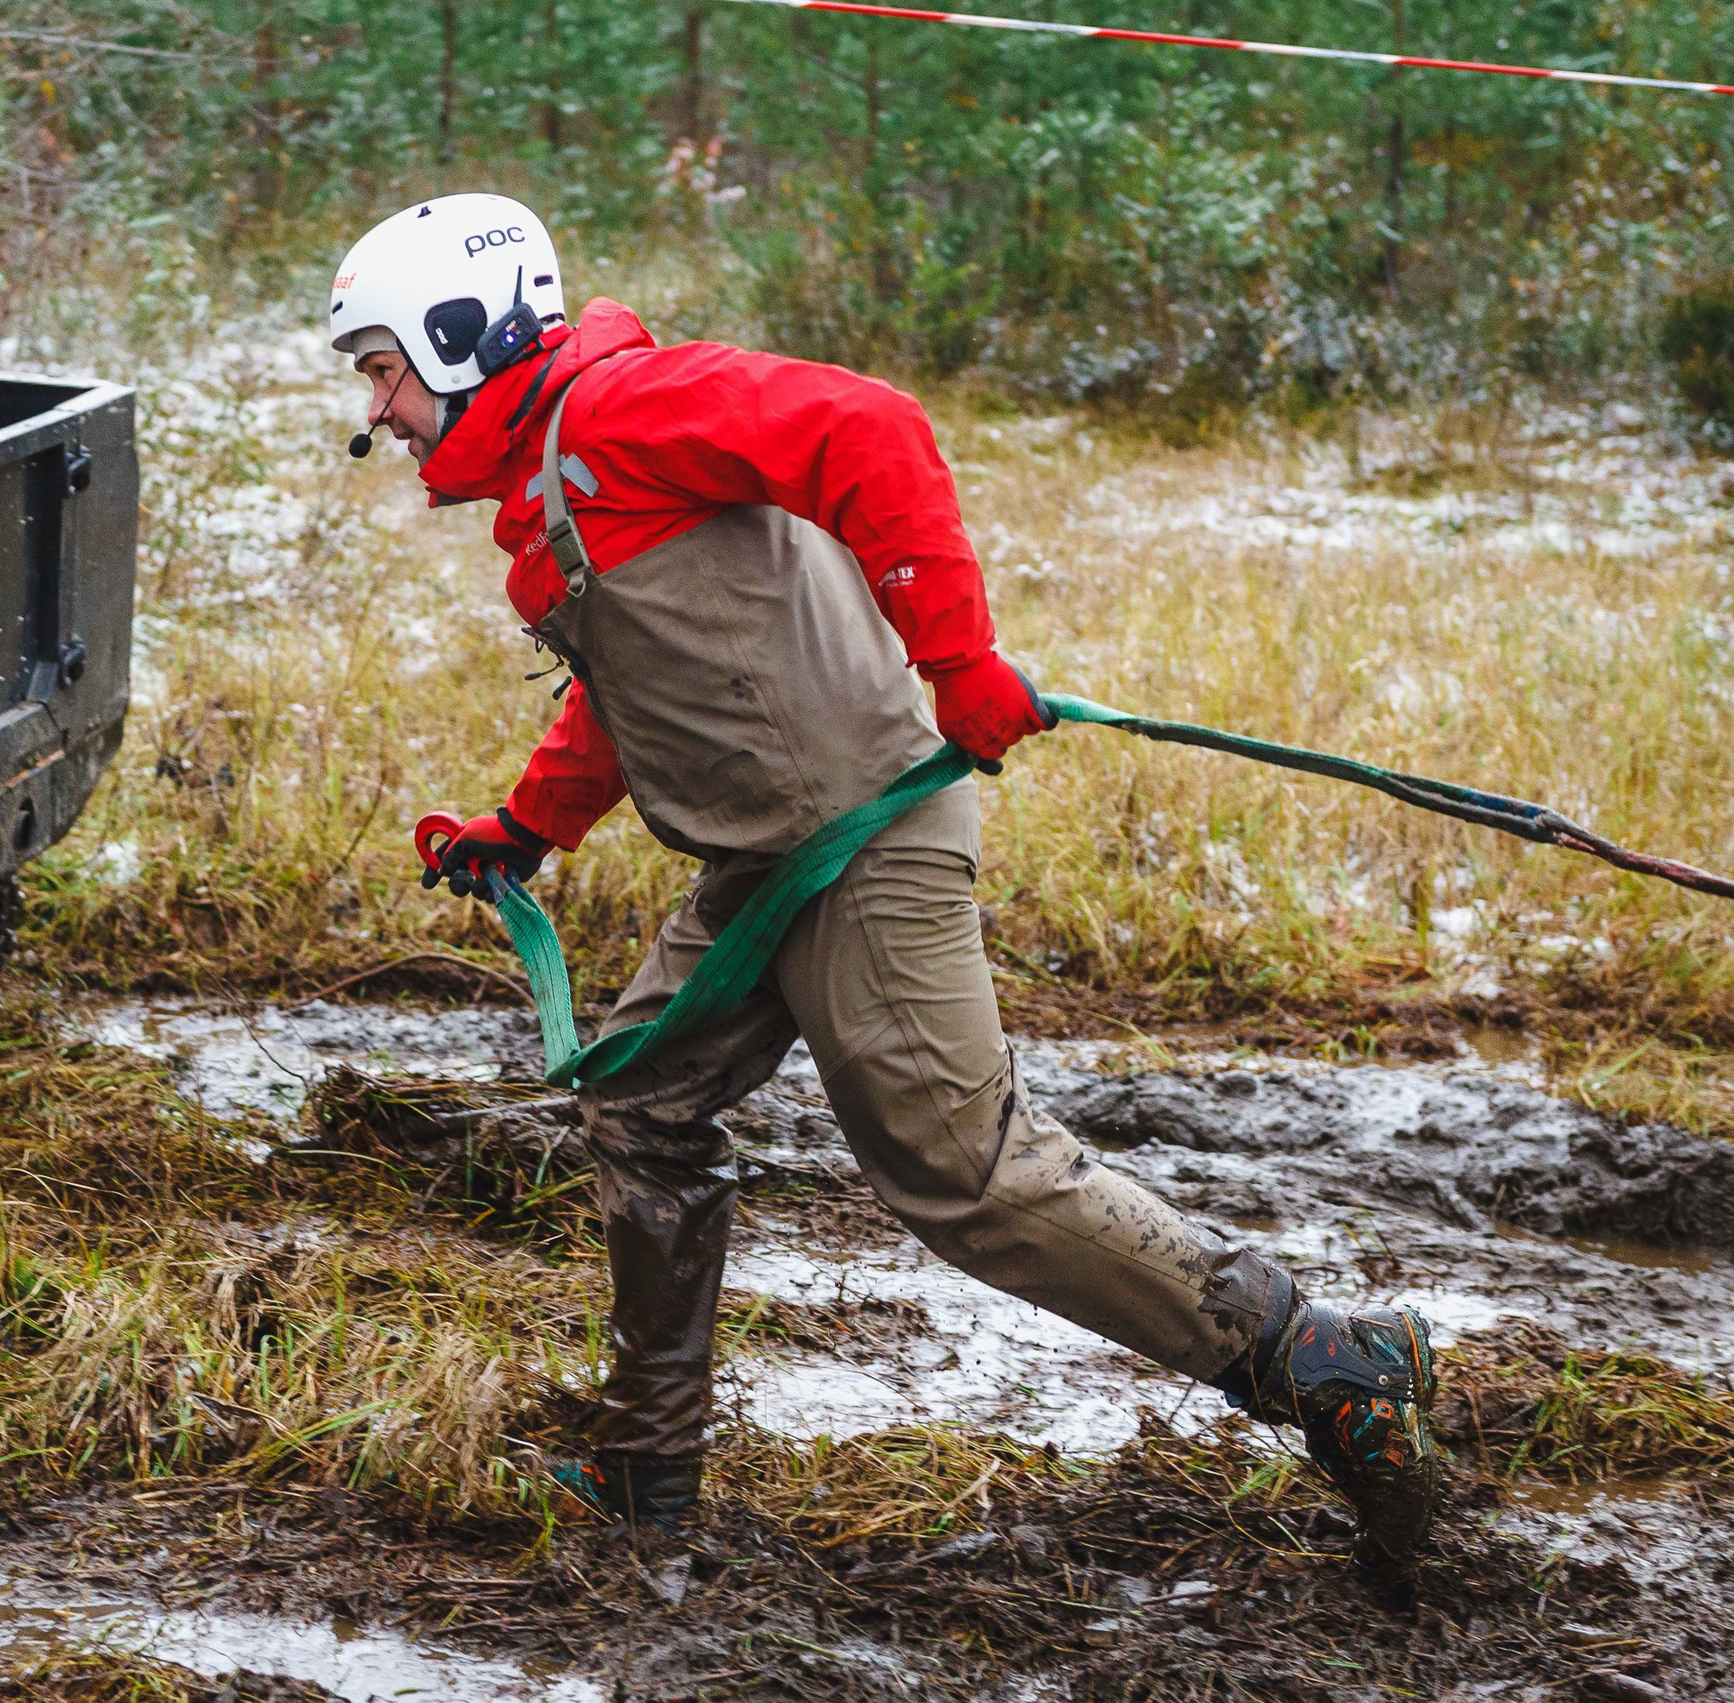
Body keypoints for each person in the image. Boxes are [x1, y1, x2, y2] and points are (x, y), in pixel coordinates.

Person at [328, 192, 1441, 1569]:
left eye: (381, 369)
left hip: (864, 841)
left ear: (458, 337)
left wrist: (958, 662)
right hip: (766, 861)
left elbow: (870, 427)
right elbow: (652, 684)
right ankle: (642, 1477)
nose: (376, 412)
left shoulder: (623, 408)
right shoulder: (558, 484)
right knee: (642, 1102)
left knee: (966, 1176)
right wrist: (527, 825)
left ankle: (1324, 1363)